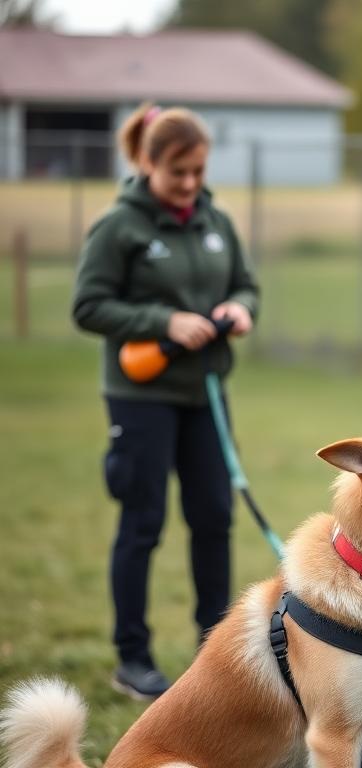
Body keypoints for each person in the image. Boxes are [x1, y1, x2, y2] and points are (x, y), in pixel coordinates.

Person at [72, 103, 259, 701]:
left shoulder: (216, 221)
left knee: (214, 519)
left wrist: (241, 308)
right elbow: (89, 306)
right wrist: (163, 321)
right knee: (142, 524)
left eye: (198, 171)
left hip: (207, 396)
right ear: (147, 162)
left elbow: (245, 283)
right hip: (140, 398)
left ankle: (216, 653)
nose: (189, 183)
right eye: (178, 171)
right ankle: (133, 658)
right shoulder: (119, 227)